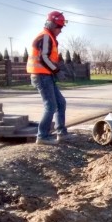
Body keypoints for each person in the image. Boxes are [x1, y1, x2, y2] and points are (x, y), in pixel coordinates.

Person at [27, 11, 69, 145]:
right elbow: (43, 57)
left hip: (46, 75)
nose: (60, 30)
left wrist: (58, 68)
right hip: (41, 76)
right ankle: (42, 136)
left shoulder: (49, 37)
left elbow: (48, 57)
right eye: (59, 27)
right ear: (51, 24)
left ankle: (61, 133)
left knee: (61, 103)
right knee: (50, 106)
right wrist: (56, 71)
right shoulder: (45, 37)